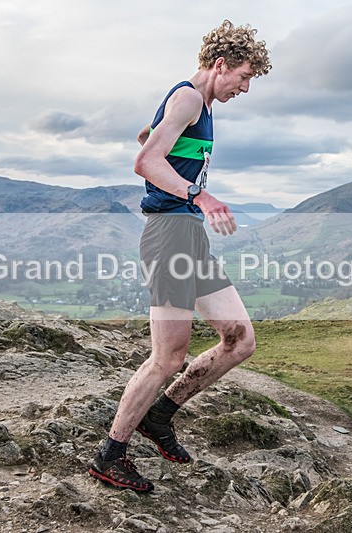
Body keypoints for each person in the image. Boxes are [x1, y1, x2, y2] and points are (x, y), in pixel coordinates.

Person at [88, 20, 272, 492]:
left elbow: (152, 144)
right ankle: (111, 455)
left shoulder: (196, 105)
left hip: (190, 238)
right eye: (244, 77)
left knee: (239, 338)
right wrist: (202, 196)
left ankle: (162, 414)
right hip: (170, 234)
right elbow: (145, 162)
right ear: (220, 65)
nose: (245, 88)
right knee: (167, 357)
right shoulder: (189, 97)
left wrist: (155, 137)